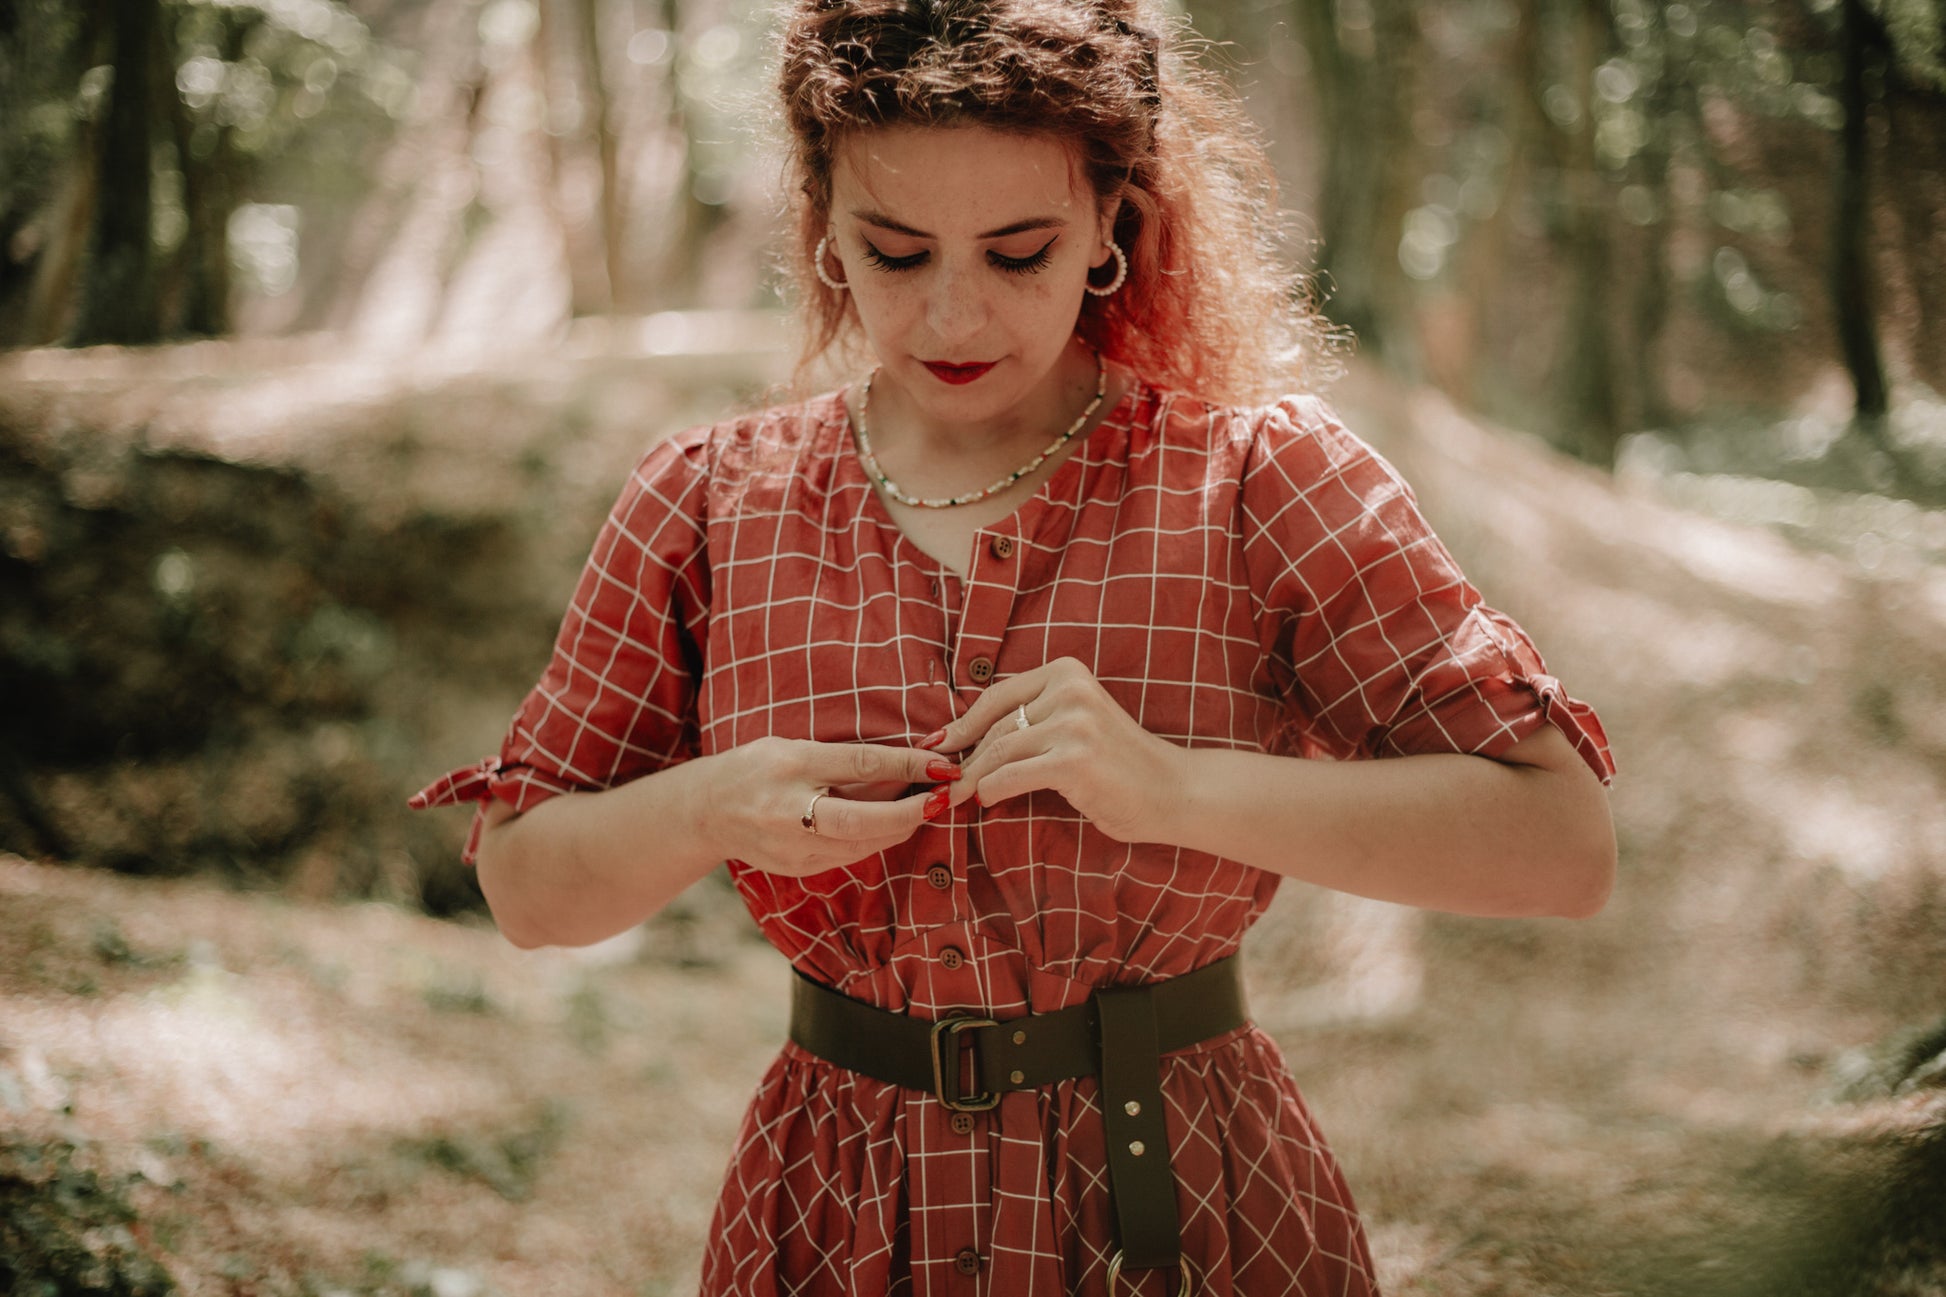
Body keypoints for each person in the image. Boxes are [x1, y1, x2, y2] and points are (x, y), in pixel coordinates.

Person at [410, 0, 1618, 1292]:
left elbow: (1561, 847)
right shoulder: (705, 503)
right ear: (819, 221)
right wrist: (711, 806)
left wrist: (1171, 789)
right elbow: (528, 886)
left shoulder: (1263, 482)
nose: (953, 316)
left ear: (1112, 219)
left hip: (1186, 1206)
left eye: (1017, 252)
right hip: (834, 1207)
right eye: (894, 251)